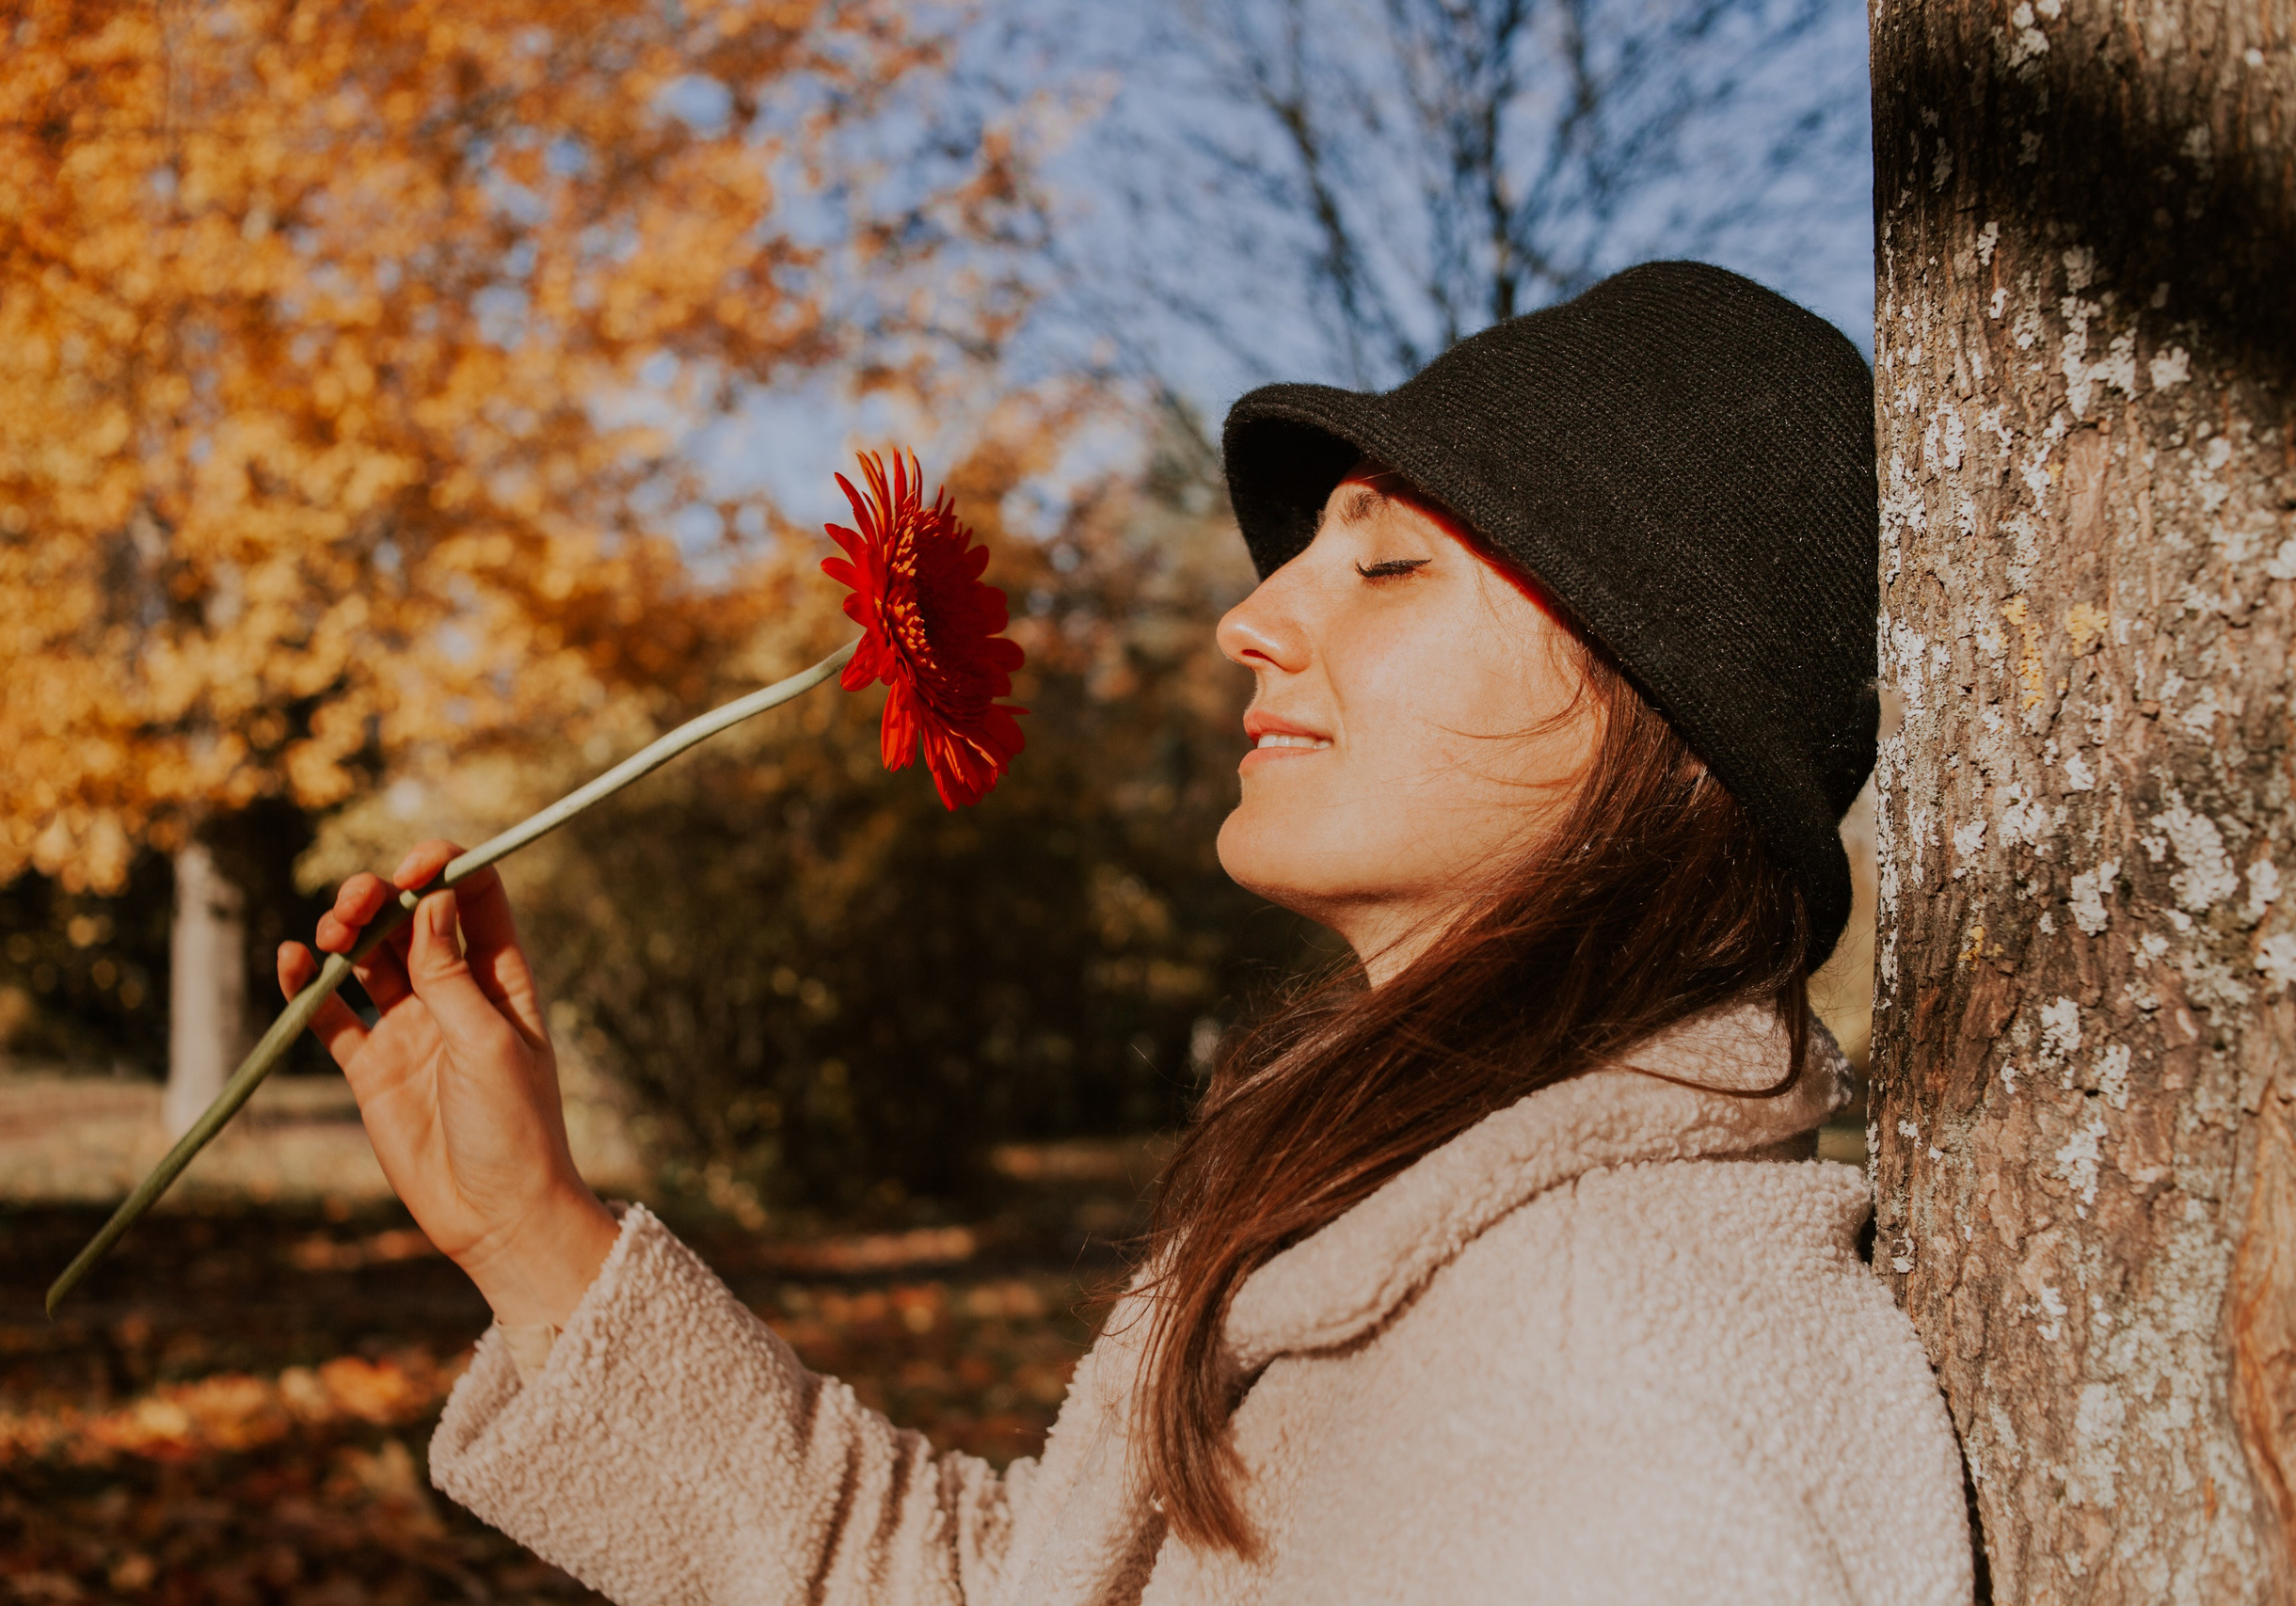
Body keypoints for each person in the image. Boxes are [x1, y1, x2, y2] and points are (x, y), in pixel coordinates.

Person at [280, 262, 1972, 1604]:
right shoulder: (1442, 1227)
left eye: (1386, 572)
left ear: (1655, 712)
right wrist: (526, 1227)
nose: (1251, 618)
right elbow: (1035, 1590)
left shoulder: (1617, 1383)